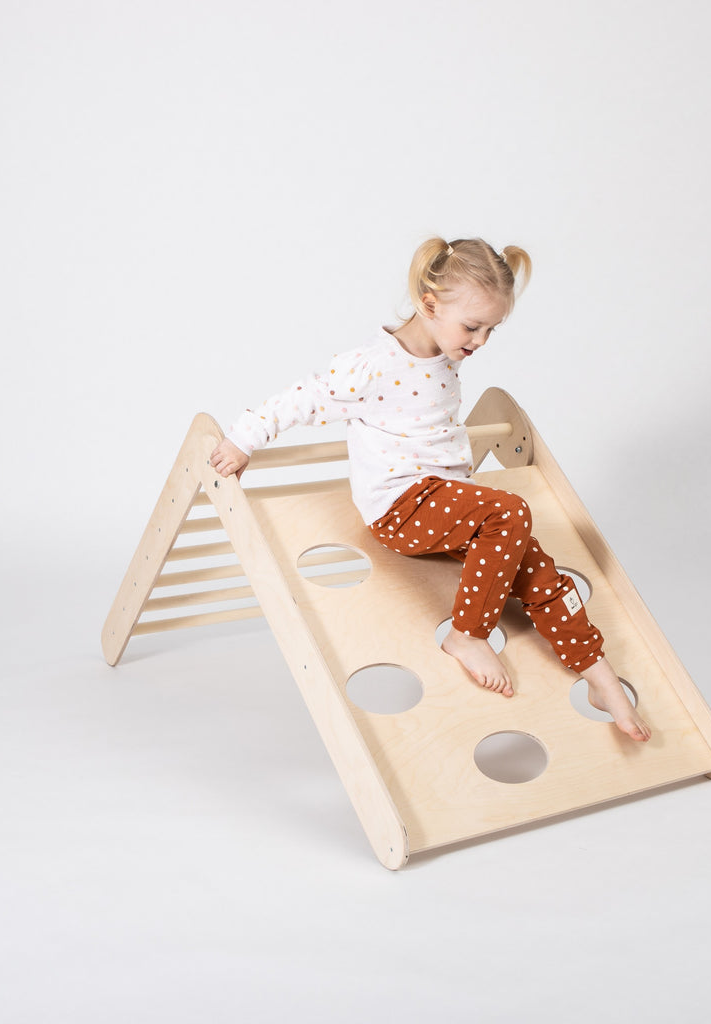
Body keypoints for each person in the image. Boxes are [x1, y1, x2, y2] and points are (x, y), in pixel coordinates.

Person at [210, 237, 650, 741]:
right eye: (472, 326)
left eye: (491, 329)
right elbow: (304, 398)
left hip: (449, 503)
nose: (481, 341)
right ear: (429, 303)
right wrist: (244, 439)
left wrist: (459, 339)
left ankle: (596, 673)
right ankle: (467, 636)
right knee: (510, 512)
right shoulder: (371, 364)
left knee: (538, 570)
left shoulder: (446, 354)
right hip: (401, 507)